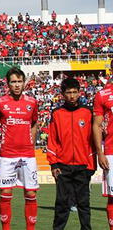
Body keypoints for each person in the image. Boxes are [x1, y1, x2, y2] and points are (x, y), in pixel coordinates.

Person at [0, 67, 39, 230]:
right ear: (8, 84)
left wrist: (31, 145)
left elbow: (34, 124)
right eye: (13, 82)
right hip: (7, 155)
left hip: (27, 155)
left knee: (31, 194)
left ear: (24, 83)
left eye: (19, 81)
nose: (17, 85)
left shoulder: (32, 102)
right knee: (5, 194)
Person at [47, 78, 96, 230]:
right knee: (62, 203)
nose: (72, 96)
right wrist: (53, 163)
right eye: (68, 92)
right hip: (63, 166)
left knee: (84, 204)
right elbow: (52, 141)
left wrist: (91, 165)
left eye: (75, 92)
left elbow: (93, 141)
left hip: (82, 166)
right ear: (62, 94)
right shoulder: (56, 113)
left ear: (80, 93)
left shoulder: (88, 112)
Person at [93, 67, 113, 229]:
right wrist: (100, 152)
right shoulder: (102, 95)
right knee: (112, 197)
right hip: (111, 152)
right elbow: (97, 125)